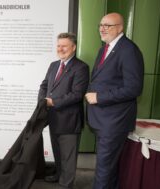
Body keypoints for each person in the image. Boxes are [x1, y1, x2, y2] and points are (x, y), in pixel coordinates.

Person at [85, 13, 144, 189]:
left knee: (104, 169)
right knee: (108, 168)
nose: (102, 28)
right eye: (101, 25)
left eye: (108, 25)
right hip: (103, 119)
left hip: (114, 121)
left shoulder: (129, 50)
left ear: (120, 27)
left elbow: (133, 88)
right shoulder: (103, 49)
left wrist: (99, 97)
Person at [38, 32, 89, 189]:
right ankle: (59, 175)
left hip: (69, 120)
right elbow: (44, 85)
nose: (60, 49)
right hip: (53, 118)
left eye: (64, 46)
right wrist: (42, 101)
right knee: (58, 153)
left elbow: (77, 94)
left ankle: (66, 184)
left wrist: (53, 102)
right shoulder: (54, 65)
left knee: (68, 156)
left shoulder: (81, 67)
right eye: (58, 45)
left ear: (73, 47)